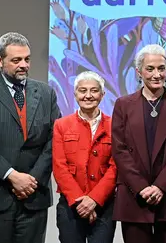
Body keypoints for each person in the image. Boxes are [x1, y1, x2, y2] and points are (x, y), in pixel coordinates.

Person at [0, 32, 61, 243]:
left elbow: (54, 139)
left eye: (27, 59)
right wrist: (12, 176)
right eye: (16, 60)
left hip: (33, 196)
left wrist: (32, 180)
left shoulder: (46, 93)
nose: (24, 65)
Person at [111, 44, 166, 243]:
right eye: (150, 69)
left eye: (161, 68)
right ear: (139, 72)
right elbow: (119, 149)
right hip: (134, 195)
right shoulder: (123, 105)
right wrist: (141, 187)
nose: (156, 74)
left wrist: (159, 187)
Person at [53, 71, 118, 242]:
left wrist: (94, 199)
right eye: (82, 91)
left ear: (102, 95)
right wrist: (81, 202)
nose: (88, 95)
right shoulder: (61, 125)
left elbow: (115, 167)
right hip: (70, 206)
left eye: (94, 91)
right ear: (75, 94)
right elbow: (59, 167)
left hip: (104, 205)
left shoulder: (115, 125)